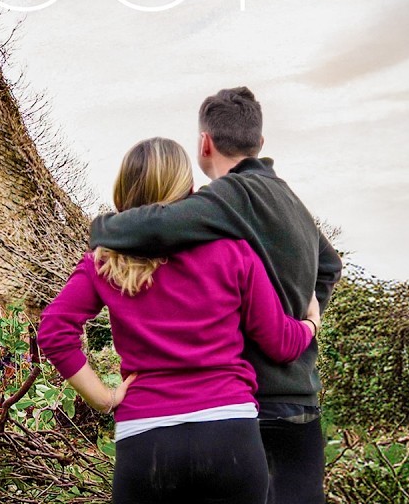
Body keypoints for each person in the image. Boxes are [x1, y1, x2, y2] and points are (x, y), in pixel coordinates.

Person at [90, 87, 341, 504]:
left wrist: (100, 228)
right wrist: (303, 316)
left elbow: (154, 225)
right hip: (301, 400)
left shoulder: (228, 196)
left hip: (249, 403)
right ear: (260, 142)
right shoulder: (291, 201)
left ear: (205, 143)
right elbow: (329, 264)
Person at [39, 137, 320, 504]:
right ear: (189, 191)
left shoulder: (105, 261)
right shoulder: (232, 251)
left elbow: (54, 331)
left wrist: (104, 399)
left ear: (123, 192)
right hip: (229, 433)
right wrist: (310, 323)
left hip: (146, 439)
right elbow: (280, 343)